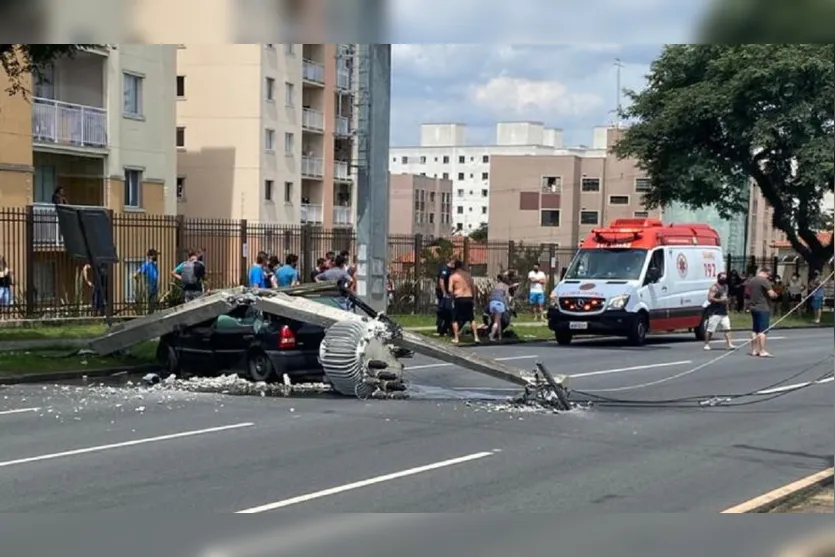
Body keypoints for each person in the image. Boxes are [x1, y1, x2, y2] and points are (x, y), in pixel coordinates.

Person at [747, 267, 779, 357]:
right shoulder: (764, 281)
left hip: (753, 307)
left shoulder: (752, 280)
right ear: (764, 272)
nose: (769, 277)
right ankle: (762, 350)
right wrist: (775, 294)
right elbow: (771, 294)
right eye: (768, 274)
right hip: (763, 307)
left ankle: (754, 350)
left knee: (755, 329)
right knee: (762, 331)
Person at [448, 259, 478, 345]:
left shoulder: (453, 276)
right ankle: (476, 337)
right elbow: (473, 288)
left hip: (459, 298)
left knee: (454, 319)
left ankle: (456, 338)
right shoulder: (468, 275)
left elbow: (450, 289)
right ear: (461, 266)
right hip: (469, 297)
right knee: (471, 318)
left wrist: (452, 297)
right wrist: (474, 299)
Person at [703, 271, 734, 351]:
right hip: (715, 312)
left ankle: (729, 344)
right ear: (718, 278)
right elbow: (710, 298)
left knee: (727, 328)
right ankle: (707, 344)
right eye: (722, 277)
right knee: (710, 329)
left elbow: (726, 298)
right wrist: (719, 300)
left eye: (725, 277)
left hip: (724, 312)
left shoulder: (726, 286)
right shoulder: (714, 287)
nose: (724, 279)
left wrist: (727, 307)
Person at [134, 248, 160, 313]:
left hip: (154, 289)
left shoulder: (154, 265)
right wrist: (138, 281)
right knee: (146, 307)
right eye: (155, 255)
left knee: (152, 308)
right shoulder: (146, 265)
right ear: (151, 256)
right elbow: (136, 274)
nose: (156, 257)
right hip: (147, 289)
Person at [488, 274, 510, 341]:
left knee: (498, 320)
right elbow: (506, 297)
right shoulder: (506, 286)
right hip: (499, 303)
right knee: (496, 322)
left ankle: (500, 336)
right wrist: (507, 306)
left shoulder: (495, 286)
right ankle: (491, 335)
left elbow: (491, 295)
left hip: (492, 303)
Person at [435, 257, 455, 336]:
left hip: (448, 293)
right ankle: (440, 328)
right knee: (443, 310)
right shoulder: (445, 269)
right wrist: (444, 293)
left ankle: (446, 328)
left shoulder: (451, 270)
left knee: (447, 311)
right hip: (444, 293)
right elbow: (441, 281)